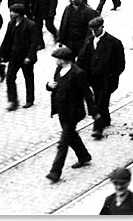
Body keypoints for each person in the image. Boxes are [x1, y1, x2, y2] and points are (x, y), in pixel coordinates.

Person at [45, 46, 96, 182]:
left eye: (57, 59)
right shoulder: (59, 70)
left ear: (63, 60)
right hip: (61, 110)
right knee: (71, 136)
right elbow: (55, 85)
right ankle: (84, 156)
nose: (56, 61)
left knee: (63, 142)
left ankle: (55, 172)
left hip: (73, 113)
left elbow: (87, 94)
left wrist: (94, 113)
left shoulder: (78, 73)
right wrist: (48, 85)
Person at [76, 16, 126, 139]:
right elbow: (82, 59)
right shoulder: (89, 41)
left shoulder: (114, 42)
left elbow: (121, 63)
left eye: (96, 29)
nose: (94, 32)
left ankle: (97, 128)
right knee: (99, 99)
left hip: (107, 79)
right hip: (92, 78)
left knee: (100, 102)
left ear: (102, 27)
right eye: (92, 30)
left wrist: (112, 76)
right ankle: (106, 119)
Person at [0, 3, 38, 110]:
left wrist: (29, 57)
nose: (11, 14)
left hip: (25, 56)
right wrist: (2, 54)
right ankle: (12, 100)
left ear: (19, 13)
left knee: (28, 78)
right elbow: (7, 39)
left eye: (13, 12)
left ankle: (30, 100)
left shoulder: (30, 25)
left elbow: (33, 43)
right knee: (10, 77)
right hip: (14, 55)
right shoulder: (11, 23)